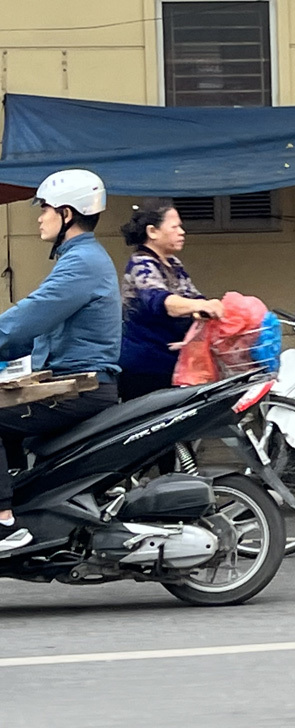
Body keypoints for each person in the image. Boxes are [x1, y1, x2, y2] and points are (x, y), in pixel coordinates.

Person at [0, 170, 121, 553]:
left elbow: (29, 316)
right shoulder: (79, 260)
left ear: (66, 214)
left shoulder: (82, 263)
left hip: (79, 389)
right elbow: (34, 334)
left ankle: (3, 524)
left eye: (45, 209)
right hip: (66, 383)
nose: (39, 217)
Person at [118, 200, 224, 403]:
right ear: (153, 231)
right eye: (175, 227)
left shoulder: (174, 263)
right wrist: (199, 306)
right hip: (146, 365)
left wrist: (207, 306)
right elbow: (160, 301)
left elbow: (192, 296)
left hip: (173, 363)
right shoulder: (141, 263)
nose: (182, 232)